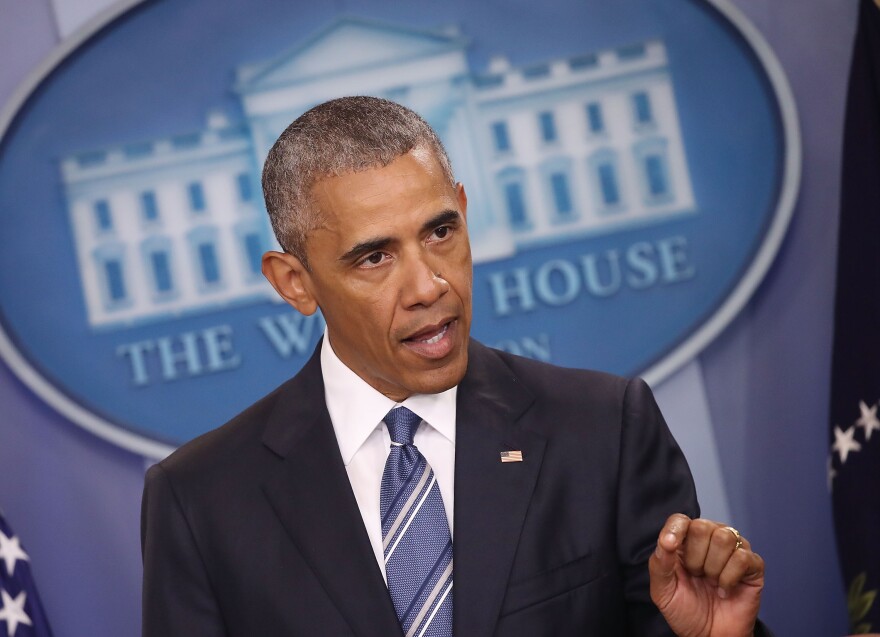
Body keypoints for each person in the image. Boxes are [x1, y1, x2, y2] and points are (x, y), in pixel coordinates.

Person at [141, 96, 769, 636]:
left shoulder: (604, 429)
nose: (428, 284)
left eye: (440, 232)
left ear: (465, 211)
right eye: (374, 258)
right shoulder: (201, 500)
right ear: (295, 283)